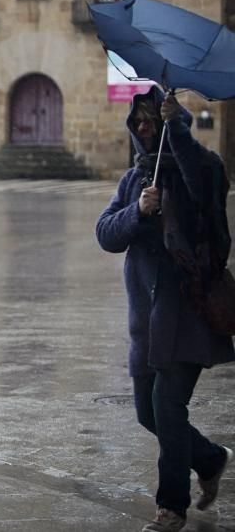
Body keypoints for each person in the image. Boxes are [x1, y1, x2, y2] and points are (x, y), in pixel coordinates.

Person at [96, 86, 234, 532]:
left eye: (151, 119)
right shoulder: (135, 179)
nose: (142, 127)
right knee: (147, 413)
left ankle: (171, 507)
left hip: (188, 315)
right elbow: (105, 234)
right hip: (146, 325)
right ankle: (211, 459)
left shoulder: (204, 168)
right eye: (137, 120)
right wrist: (136, 211)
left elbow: (200, 186)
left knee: (168, 408)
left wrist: (178, 129)